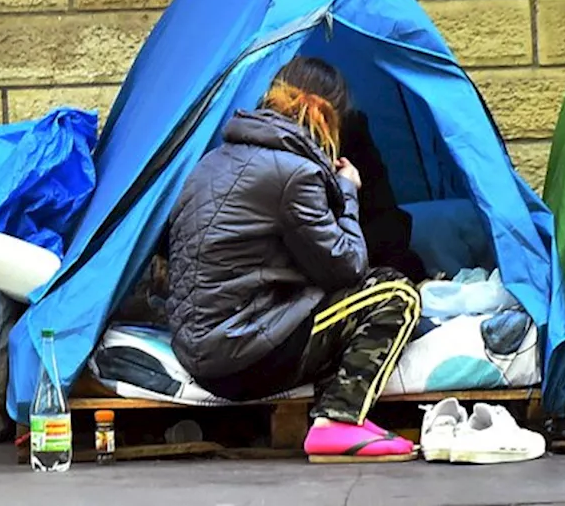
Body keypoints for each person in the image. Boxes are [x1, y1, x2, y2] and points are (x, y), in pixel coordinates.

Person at [165, 56, 422, 463]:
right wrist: (349, 191)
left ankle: (340, 413)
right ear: (328, 115)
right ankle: (339, 419)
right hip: (240, 356)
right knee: (395, 293)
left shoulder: (214, 159)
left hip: (204, 348)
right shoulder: (295, 173)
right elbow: (349, 267)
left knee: (341, 300)